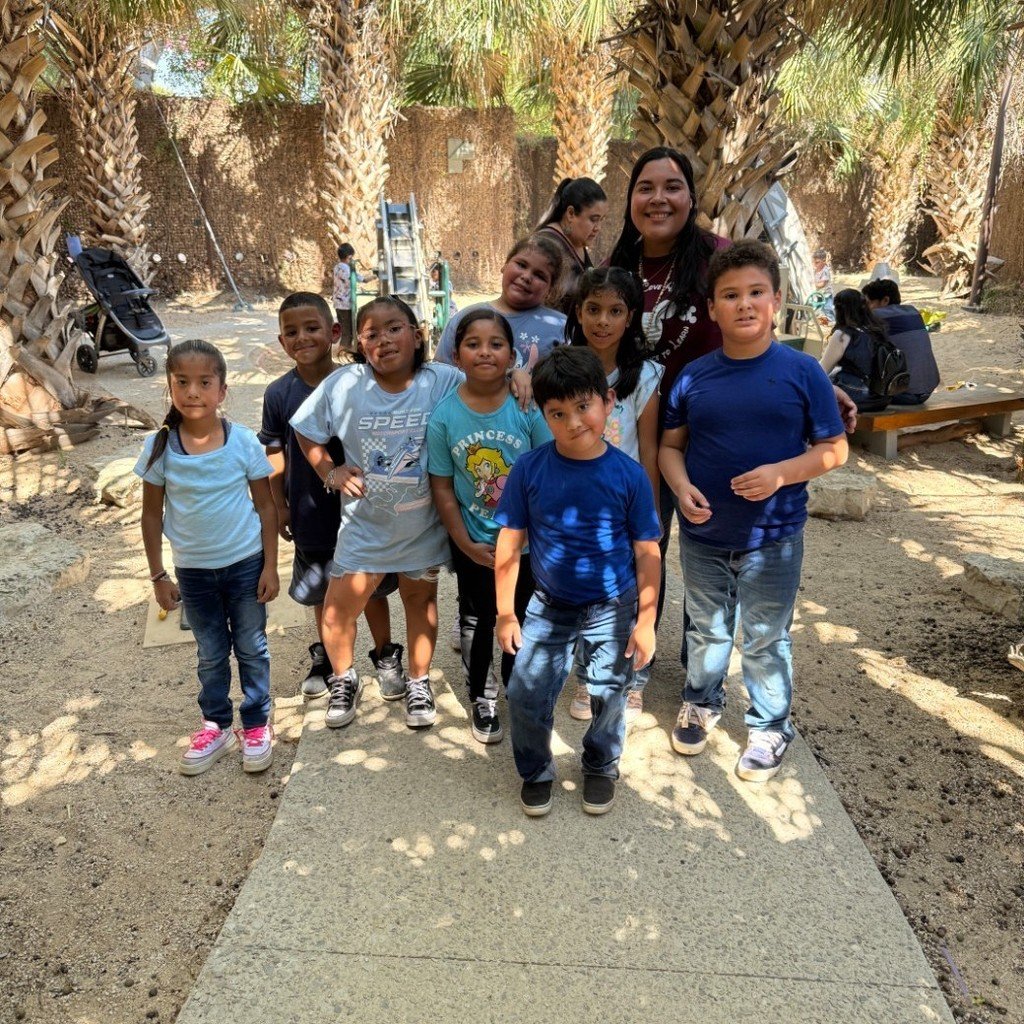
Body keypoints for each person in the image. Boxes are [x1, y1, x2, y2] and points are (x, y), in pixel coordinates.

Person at [659, 240, 848, 782]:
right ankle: (701, 699)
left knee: (767, 634)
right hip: (704, 532)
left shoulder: (803, 371)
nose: (744, 304)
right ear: (713, 308)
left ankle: (769, 724)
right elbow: (671, 446)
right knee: (707, 627)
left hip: (776, 535)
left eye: (756, 293)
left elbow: (834, 450)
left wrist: (780, 473)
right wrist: (681, 487)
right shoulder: (694, 376)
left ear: (777, 299)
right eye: (730, 295)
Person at [495, 347, 662, 817]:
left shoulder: (629, 476)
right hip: (548, 604)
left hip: (612, 605)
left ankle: (601, 764)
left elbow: (648, 553)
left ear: (608, 402)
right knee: (526, 691)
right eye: (558, 413)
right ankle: (535, 770)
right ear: (543, 415)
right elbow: (509, 545)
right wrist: (506, 611)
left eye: (583, 407)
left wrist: (645, 620)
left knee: (611, 692)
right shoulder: (529, 470)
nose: (573, 422)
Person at [291, 296, 462, 731]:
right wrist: (330, 470)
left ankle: (419, 682)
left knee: (420, 603)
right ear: (358, 345)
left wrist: (517, 375)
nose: (383, 340)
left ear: (417, 334)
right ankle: (345, 678)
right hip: (364, 528)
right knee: (337, 610)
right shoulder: (346, 384)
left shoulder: (441, 380)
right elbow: (305, 429)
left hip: (421, 528)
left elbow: (487, 390)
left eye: (394, 328)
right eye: (370, 333)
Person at [136, 339, 279, 776]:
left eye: (204, 382)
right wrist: (159, 575)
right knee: (211, 652)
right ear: (170, 386)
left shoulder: (243, 443)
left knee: (252, 647)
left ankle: (255, 725)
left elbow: (266, 505)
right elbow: (150, 514)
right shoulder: (160, 448)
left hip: (246, 565)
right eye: (182, 382)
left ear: (222, 390)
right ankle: (215, 725)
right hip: (193, 573)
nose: (193, 392)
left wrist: (271, 565)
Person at [259, 292, 405, 704]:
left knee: (372, 588)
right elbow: (274, 451)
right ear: (281, 340)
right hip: (308, 510)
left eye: (311, 328)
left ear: (334, 332)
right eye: (291, 332)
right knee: (321, 590)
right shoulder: (278, 394)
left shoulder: (357, 382)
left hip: (360, 509)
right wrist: (281, 501)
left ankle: (384, 655)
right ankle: (329, 659)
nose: (302, 337)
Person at [426, 309, 552, 744]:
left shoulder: (527, 408)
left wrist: (529, 537)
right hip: (475, 543)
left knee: (522, 618)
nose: (484, 351)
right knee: (478, 621)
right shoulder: (444, 417)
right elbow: (442, 485)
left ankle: (517, 688)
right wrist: (462, 539)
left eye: (495, 343)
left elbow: (549, 473)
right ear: (456, 355)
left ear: (511, 354)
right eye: (473, 343)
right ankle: (481, 693)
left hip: (527, 546)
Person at [565, 266, 662, 724]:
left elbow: (648, 450)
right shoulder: (561, 367)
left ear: (630, 317)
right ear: (578, 312)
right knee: (585, 592)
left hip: (624, 507)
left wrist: (652, 519)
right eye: (593, 309)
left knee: (632, 593)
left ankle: (633, 678)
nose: (603, 321)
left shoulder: (643, 376)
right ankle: (587, 677)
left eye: (615, 311)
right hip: (575, 505)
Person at [433, 235, 566, 371]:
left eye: (539, 275)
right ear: (504, 265)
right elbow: (440, 377)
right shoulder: (465, 318)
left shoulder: (562, 328)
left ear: (550, 290)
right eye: (521, 265)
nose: (526, 277)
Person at [535, 177, 609, 313]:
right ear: (570, 214)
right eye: (594, 219)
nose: (598, 227)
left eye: (601, 220)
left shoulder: (576, 241)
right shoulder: (544, 246)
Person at [862, 278, 940, 404]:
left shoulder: (877, 315)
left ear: (885, 300)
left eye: (869, 303)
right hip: (927, 389)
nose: (866, 308)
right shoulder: (913, 312)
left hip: (903, 393)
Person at [819, 288, 893, 412]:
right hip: (881, 397)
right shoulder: (876, 330)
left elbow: (822, 370)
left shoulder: (843, 335)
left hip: (859, 394)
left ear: (839, 310)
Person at [332, 243, 359, 353]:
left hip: (339, 303)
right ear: (349, 257)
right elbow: (354, 279)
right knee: (347, 330)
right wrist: (368, 278)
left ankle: (347, 349)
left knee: (348, 329)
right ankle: (342, 351)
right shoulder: (346, 269)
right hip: (345, 304)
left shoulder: (337, 267)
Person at [811, 247, 835, 320]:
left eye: (817, 262)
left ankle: (832, 320)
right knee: (820, 308)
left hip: (826, 294)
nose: (815, 264)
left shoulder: (825, 271)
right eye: (814, 262)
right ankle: (826, 320)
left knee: (828, 308)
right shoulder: (816, 270)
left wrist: (813, 284)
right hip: (820, 293)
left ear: (824, 261)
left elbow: (822, 284)